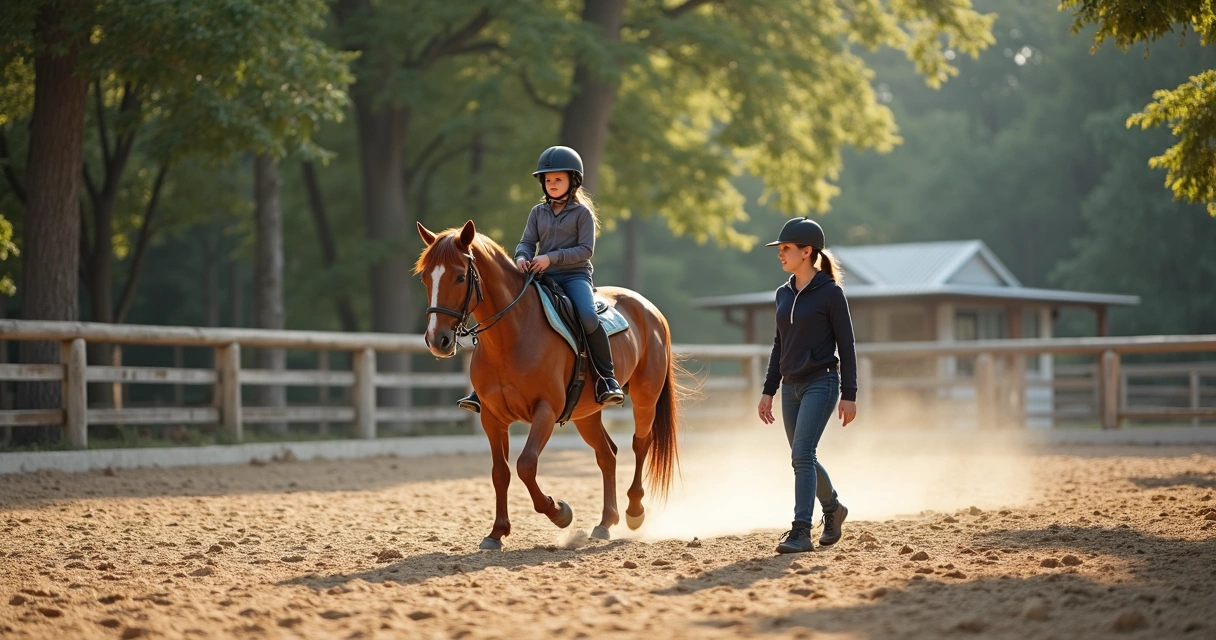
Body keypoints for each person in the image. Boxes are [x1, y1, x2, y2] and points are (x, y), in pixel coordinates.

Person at [457, 146, 626, 413]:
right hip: (540, 274)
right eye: (548, 180)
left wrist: (551, 258)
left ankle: (606, 378)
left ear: (573, 180)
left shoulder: (582, 214)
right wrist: (521, 258)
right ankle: (483, 388)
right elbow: (527, 242)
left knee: (587, 316)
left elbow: (585, 250)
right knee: (504, 312)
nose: (552, 184)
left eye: (558, 179)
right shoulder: (537, 213)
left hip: (574, 275)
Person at [757, 217, 858, 554]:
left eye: (785, 248)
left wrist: (849, 394)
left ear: (806, 251)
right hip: (790, 386)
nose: (780, 253)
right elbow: (779, 345)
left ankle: (801, 531)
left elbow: (846, 344)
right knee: (802, 458)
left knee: (802, 455)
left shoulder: (831, 293)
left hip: (822, 381)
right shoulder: (782, 294)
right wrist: (769, 390)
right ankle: (834, 509)